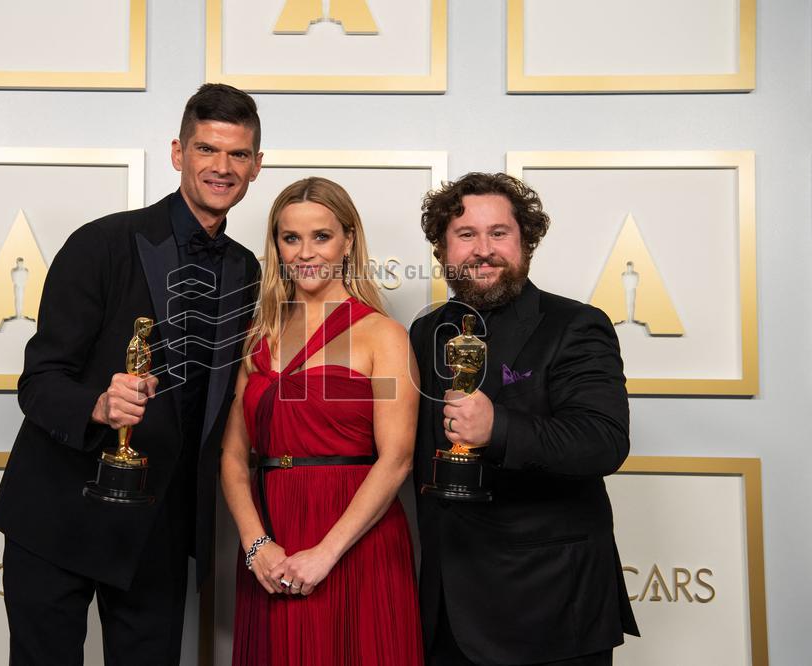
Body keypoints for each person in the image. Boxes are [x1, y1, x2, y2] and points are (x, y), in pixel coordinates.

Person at [0, 83, 263, 666]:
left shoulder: (247, 269)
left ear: (256, 166)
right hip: (60, 514)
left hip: (159, 532)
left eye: (238, 154)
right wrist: (98, 406)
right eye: (206, 149)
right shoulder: (101, 243)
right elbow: (39, 382)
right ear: (177, 153)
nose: (222, 167)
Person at [409, 172, 640, 666]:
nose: (482, 249)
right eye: (466, 235)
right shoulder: (425, 332)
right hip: (446, 610)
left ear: (526, 242)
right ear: (443, 249)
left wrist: (500, 428)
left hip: (550, 608)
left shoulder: (576, 325)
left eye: (499, 233)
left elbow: (603, 439)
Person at [221, 177, 424, 665]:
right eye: (290, 238)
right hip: (272, 536)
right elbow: (232, 454)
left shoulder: (383, 336)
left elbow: (396, 459)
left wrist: (326, 553)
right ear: (276, 246)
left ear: (348, 240)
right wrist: (256, 545)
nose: (305, 252)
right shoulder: (259, 335)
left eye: (321, 236)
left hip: (356, 539)